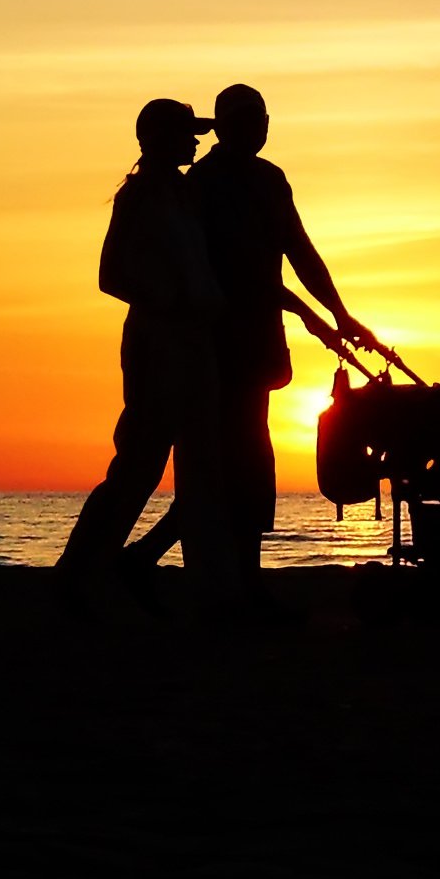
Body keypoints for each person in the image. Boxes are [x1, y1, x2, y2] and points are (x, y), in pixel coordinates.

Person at [128, 84, 371, 591]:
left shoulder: (270, 178)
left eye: (262, 117)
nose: (258, 127)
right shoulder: (205, 184)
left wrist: (339, 313)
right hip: (218, 349)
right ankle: (220, 579)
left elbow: (298, 250)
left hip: (259, 347)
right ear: (224, 126)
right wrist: (313, 314)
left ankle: (208, 571)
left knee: (250, 464)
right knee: (231, 465)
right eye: (245, 119)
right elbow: (240, 273)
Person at [55, 98, 236, 606]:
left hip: (195, 342)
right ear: (158, 139)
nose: (197, 143)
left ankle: (208, 587)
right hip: (160, 344)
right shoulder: (138, 197)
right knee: (139, 466)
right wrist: (173, 301)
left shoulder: (184, 193)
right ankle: (78, 577)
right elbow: (110, 274)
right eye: (188, 134)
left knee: (202, 466)